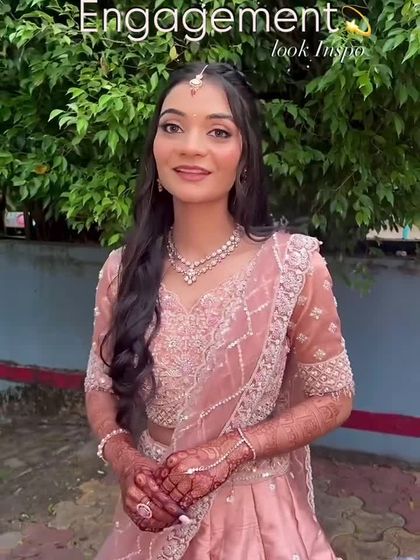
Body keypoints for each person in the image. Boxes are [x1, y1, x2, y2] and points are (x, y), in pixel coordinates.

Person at [84, 62, 355, 560]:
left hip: (257, 522)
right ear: (155, 148)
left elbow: (334, 396)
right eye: (172, 127)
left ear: (245, 155)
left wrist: (229, 451)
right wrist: (126, 462)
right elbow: (100, 386)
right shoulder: (123, 270)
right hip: (158, 508)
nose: (191, 146)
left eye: (218, 131)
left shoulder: (293, 265)